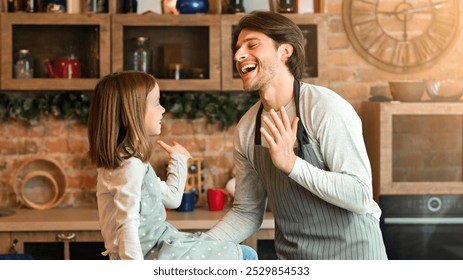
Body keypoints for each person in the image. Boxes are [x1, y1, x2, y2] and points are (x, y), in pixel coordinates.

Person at [206, 11, 388, 260]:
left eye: (252, 45)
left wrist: (292, 165)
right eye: (237, 49)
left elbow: (359, 195)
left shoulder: (325, 108)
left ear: (285, 52)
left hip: (354, 257)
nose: (238, 56)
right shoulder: (247, 129)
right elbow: (247, 212)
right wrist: (198, 246)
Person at [87, 71, 257, 260]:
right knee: (246, 256)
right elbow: (127, 224)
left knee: (242, 254)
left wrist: (179, 161)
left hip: (162, 245)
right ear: (133, 110)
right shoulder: (130, 166)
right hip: (155, 253)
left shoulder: (129, 163)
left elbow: (173, 199)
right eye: (156, 103)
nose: (163, 110)